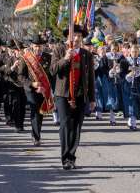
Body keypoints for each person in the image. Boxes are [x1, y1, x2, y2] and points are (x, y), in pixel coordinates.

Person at [50, 25, 96, 170]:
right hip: (63, 94)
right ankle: (65, 158)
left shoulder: (86, 54)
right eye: (73, 35)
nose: (76, 38)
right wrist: (65, 58)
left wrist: (92, 98)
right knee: (65, 126)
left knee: (76, 127)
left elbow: (91, 78)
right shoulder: (59, 50)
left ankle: (71, 157)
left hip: (80, 95)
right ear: (68, 37)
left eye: (78, 36)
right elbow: (53, 70)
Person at [19, 35, 54, 146]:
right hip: (31, 89)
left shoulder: (48, 57)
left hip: (44, 89)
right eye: (35, 46)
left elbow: (52, 74)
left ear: (43, 46)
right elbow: (20, 76)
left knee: (40, 112)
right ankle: (36, 136)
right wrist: (32, 83)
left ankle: (36, 132)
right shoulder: (26, 57)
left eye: (40, 46)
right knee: (34, 110)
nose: (38, 48)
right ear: (32, 46)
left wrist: (51, 88)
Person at [124, 44, 140, 130]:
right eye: (133, 52)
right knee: (131, 101)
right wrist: (129, 74)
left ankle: (131, 120)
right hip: (129, 84)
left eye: (136, 52)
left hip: (138, 83)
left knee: (138, 102)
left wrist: (139, 71)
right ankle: (132, 122)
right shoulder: (125, 61)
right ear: (130, 52)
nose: (134, 53)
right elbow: (122, 73)